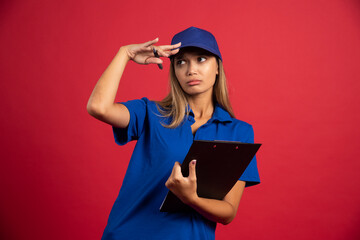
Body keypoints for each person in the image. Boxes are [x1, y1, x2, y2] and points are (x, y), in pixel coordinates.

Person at [87, 26, 260, 240]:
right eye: (181, 62)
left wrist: (191, 198)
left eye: (201, 59)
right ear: (174, 71)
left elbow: (228, 212)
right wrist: (126, 54)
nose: (191, 70)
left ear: (218, 67)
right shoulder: (151, 113)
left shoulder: (239, 132)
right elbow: (99, 107)